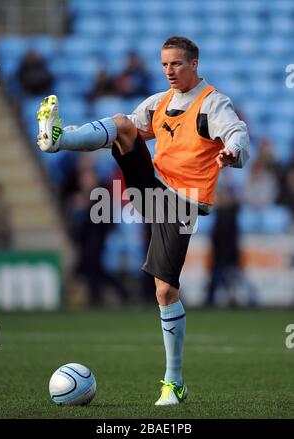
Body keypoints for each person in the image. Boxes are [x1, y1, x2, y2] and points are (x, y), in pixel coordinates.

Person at [36, 36, 249, 406]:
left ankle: (174, 382)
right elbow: (127, 132)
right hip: (152, 190)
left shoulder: (212, 103)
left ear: (194, 65)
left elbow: (237, 131)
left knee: (165, 291)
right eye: (165, 64)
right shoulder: (160, 102)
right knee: (121, 123)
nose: (169, 70)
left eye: (177, 64)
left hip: (181, 203)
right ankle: (58, 140)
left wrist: (232, 151)